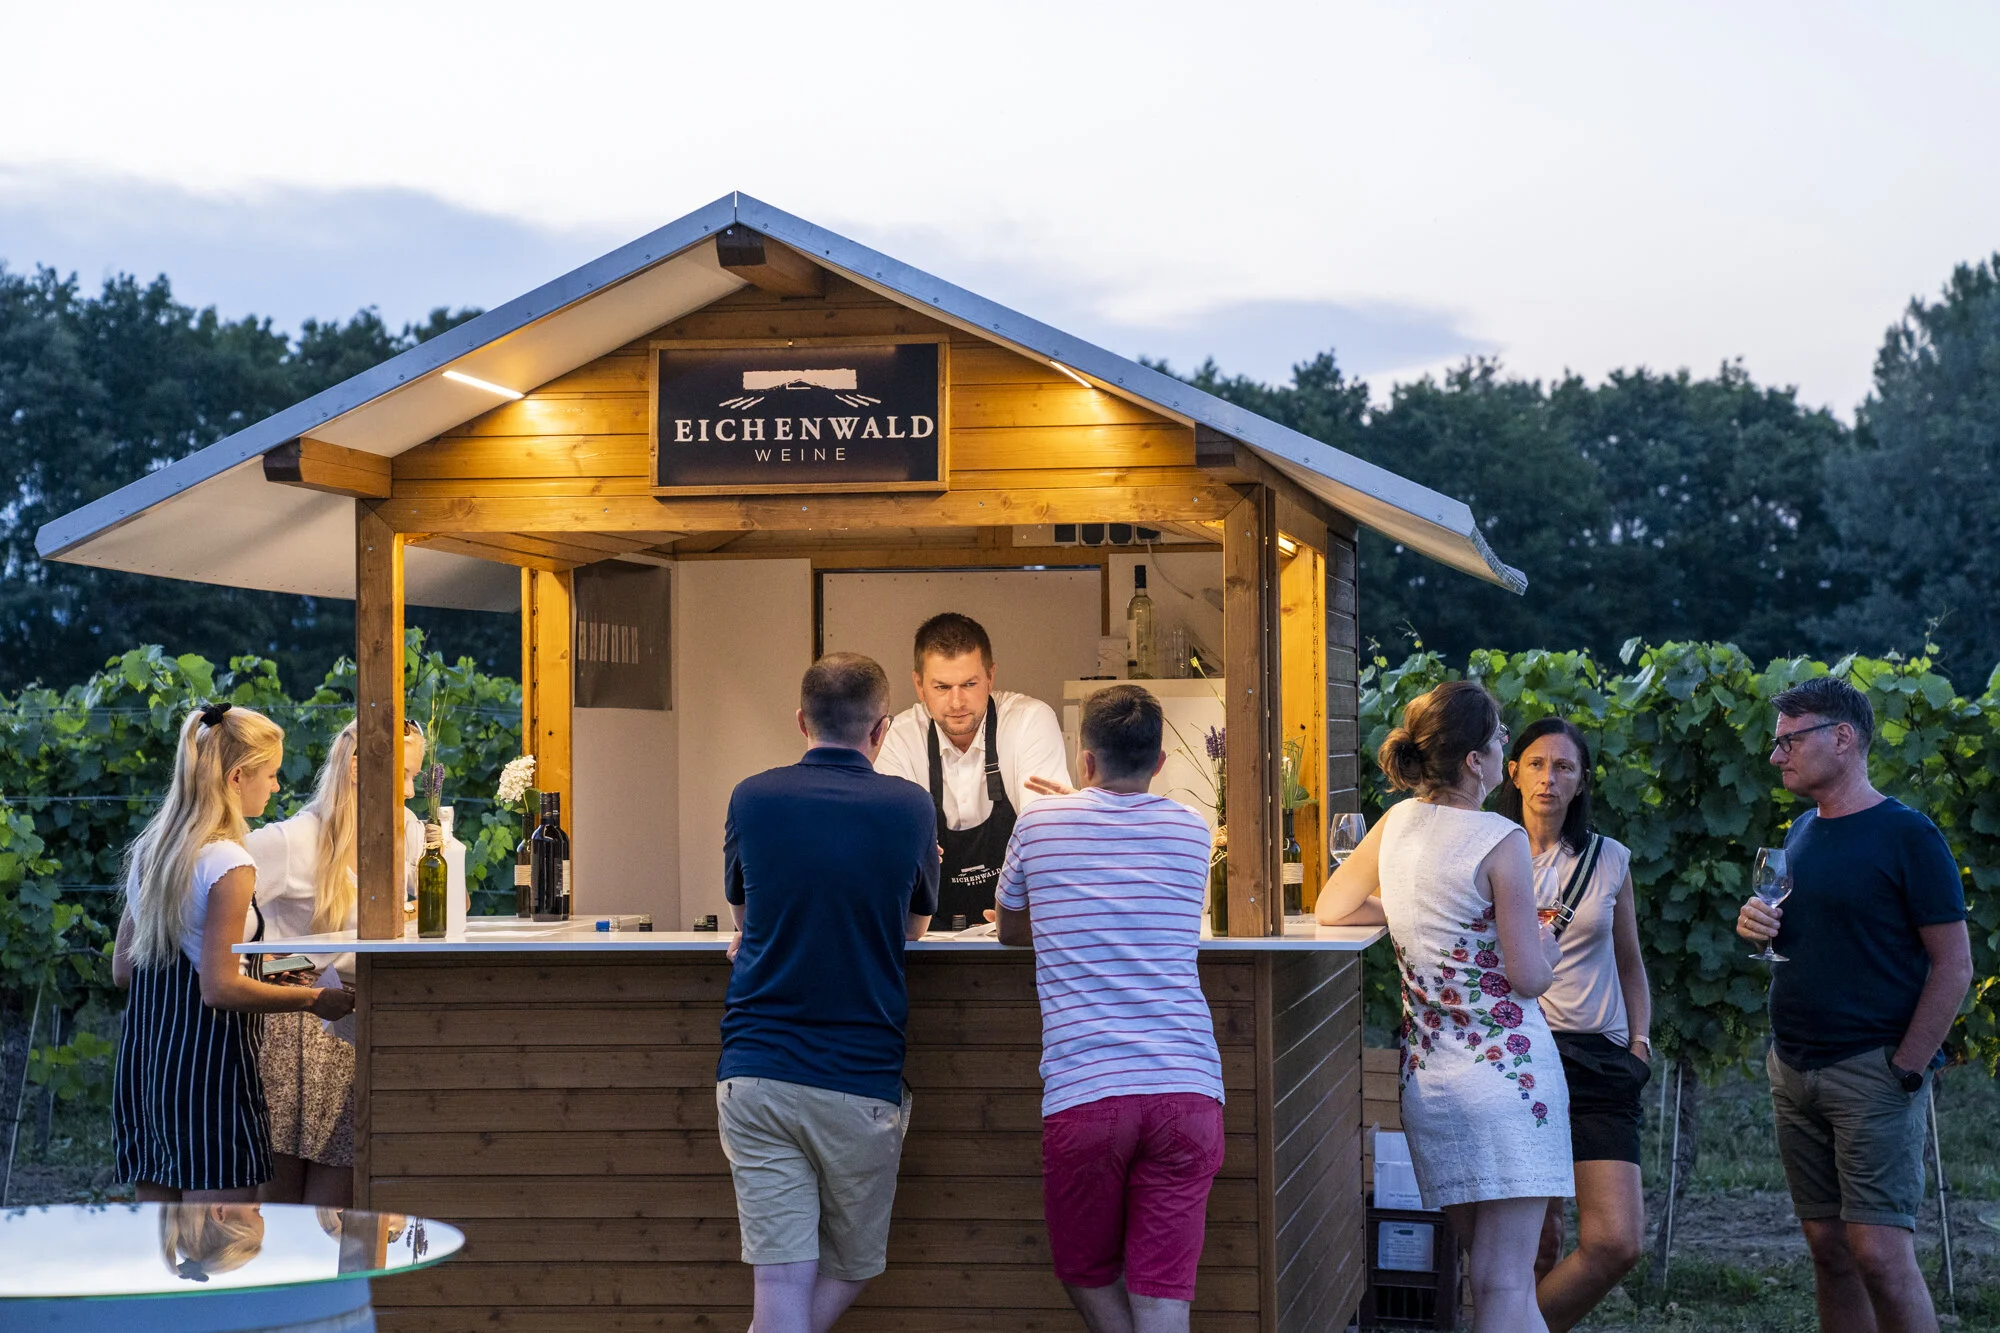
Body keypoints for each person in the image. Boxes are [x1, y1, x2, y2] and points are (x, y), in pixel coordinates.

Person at [1312, 680, 1568, 1333]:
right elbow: (1527, 977)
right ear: (1475, 761)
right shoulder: (1500, 838)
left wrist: (1414, 912)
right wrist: (1547, 945)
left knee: (1496, 1280)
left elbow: (1332, 907)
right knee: (1506, 1282)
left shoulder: (1396, 822)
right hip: (1507, 1082)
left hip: (1431, 1087)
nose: (1508, 744)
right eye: (1500, 736)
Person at [1736, 677, 1971, 1333]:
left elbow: (1954, 965)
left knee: (1880, 1256)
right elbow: (1806, 933)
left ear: (1842, 737)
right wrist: (1755, 923)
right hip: (1794, 1068)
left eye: (1789, 740)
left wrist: (1907, 1067)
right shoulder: (1801, 830)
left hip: (1872, 1072)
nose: (1776, 756)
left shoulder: (1908, 834)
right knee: (1830, 1250)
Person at [717, 653, 940, 1333]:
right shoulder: (910, 805)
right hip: (858, 1077)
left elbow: (746, 916)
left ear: (801, 720)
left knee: (781, 1281)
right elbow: (914, 927)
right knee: (852, 1264)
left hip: (757, 1072)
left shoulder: (752, 797)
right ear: (881, 728)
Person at [995, 685, 1223, 1333]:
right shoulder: (1192, 829)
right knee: (1163, 1295)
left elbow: (1011, 930)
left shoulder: (1038, 825)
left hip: (1087, 1092)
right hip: (1187, 1088)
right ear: (1159, 762)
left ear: (1084, 757)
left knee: (1086, 1268)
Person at [111, 703, 356, 1203]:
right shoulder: (229, 862)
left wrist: (292, 968)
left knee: (161, 1239)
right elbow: (220, 986)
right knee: (223, 1239)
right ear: (237, 776)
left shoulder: (152, 851)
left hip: (147, 1064)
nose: (277, 787)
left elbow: (125, 969)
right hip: (210, 1073)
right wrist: (316, 999)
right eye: (271, 774)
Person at [1493, 718, 1653, 1332]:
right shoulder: (1488, 853)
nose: (1549, 778)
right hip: (1520, 1055)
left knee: (1616, 1241)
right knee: (1537, 1241)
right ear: (1513, 772)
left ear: (1582, 781)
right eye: (1536, 764)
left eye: (1564, 767)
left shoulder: (1609, 859)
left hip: (1600, 1059)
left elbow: (1630, 962)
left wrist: (1639, 1044)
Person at [246, 718, 428, 1206]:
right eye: (403, 775)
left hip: (351, 1028)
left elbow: (454, 902)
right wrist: (284, 964)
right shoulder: (292, 841)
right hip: (293, 1028)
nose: (410, 791)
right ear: (356, 769)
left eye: (415, 777)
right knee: (281, 1210)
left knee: (334, 1214)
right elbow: (211, 901)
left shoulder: (403, 830)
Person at [875, 612, 1071, 929]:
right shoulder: (898, 738)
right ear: (919, 685)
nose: (957, 702)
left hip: (1013, 929)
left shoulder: (1028, 720)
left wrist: (1015, 914)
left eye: (969, 684)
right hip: (926, 935)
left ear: (990, 677)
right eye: (942, 687)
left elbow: (1044, 833)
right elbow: (893, 845)